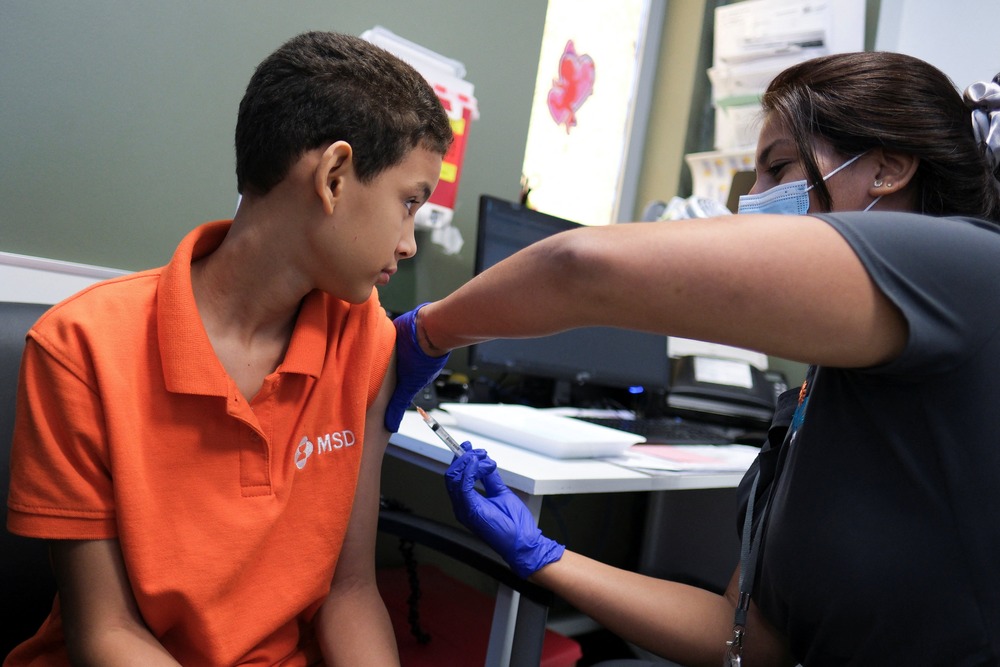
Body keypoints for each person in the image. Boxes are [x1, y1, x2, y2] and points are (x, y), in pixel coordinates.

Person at [394, 51, 1000, 665]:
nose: (752, 202)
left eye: (779, 167)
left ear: (888, 168)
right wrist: (542, 554)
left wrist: (425, 334)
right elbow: (748, 639)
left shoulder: (972, 269)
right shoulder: (824, 387)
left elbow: (580, 268)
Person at [4, 31, 452, 666]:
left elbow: (349, 590)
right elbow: (105, 632)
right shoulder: (82, 348)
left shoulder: (364, 337)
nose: (407, 244)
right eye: (409, 203)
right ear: (332, 177)